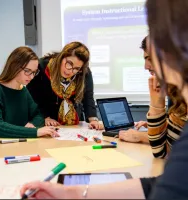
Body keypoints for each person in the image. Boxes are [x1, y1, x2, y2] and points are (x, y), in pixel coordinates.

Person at [20, 0, 188, 199]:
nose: (146, 67)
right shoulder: (42, 68)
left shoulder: (84, 74)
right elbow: (158, 180)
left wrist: (92, 117)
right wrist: (71, 192)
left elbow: (88, 98)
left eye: (151, 55)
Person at [119, 37, 187, 159]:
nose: (146, 67)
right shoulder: (180, 101)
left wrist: (140, 136)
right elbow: (161, 152)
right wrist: (157, 104)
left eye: (150, 59)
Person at [27, 41, 102, 130]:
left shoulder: (83, 72)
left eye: (76, 69)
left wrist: (93, 119)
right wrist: (45, 117)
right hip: (48, 123)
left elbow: (88, 97)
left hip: (74, 124)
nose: (70, 71)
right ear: (62, 56)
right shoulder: (42, 67)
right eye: (69, 63)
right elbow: (33, 97)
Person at [0, 46, 59, 139]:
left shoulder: (23, 90)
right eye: (27, 71)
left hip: (18, 145)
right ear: (14, 66)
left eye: (34, 72)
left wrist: (32, 125)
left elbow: (39, 115)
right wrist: (34, 131)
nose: (31, 77)